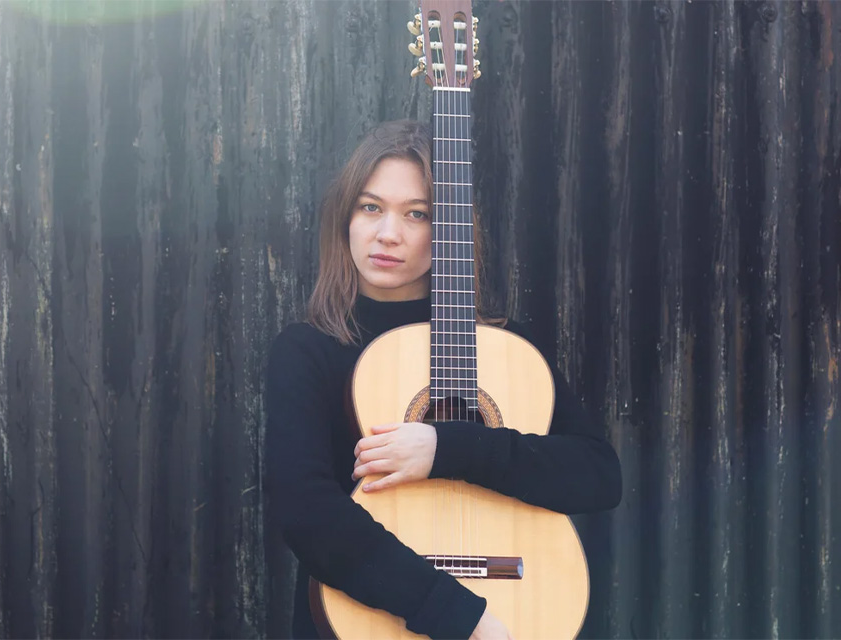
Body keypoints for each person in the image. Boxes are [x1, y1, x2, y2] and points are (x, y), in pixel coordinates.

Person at [265, 120, 621, 639]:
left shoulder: (505, 349)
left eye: (417, 214)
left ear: (450, 228)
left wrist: (444, 448)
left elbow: (598, 474)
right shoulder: (308, 349)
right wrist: (459, 615)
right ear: (345, 217)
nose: (389, 233)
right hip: (372, 621)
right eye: (371, 207)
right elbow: (306, 513)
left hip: (515, 599)